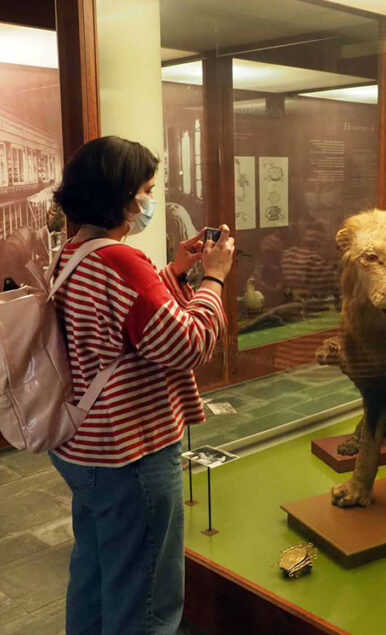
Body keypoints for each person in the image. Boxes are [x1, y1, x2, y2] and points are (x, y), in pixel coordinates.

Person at [49, 135, 235, 634]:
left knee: (92, 575)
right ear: (124, 196)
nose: (152, 200)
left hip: (83, 447)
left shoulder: (75, 253)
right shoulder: (122, 263)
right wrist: (213, 279)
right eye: (148, 189)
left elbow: (129, 329)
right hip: (131, 453)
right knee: (147, 598)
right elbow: (188, 345)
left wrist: (176, 270)